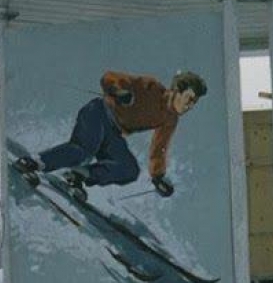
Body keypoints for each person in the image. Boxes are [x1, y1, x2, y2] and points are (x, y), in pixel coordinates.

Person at [16, 69, 207, 198]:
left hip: (113, 132)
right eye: (189, 99)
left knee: (129, 169)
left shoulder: (170, 119)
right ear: (176, 91)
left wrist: (158, 177)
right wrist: (119, 91)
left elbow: (159, 147)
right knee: (84, 150)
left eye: (194, 103)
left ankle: (79, 175)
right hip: (99, 112)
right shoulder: (151, 88)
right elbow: (109, 77)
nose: (190, 106)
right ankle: (34, 162)